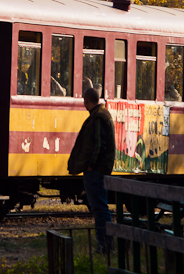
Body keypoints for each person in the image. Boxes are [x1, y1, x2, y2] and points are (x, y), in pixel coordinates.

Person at [67, 87, 116, 253]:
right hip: (97, 169)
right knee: (100, 208)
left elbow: (99, 145)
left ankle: (105, 246)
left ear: (86, 101)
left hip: (96, 171)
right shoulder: (100, 115)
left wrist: (91, 165)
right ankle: (103, 245)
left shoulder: (98, 117)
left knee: (100, 209)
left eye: (84, 101)